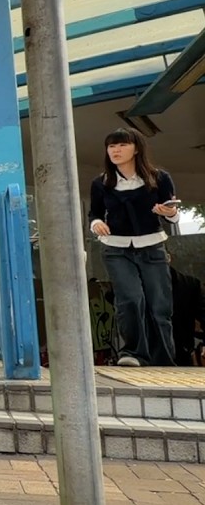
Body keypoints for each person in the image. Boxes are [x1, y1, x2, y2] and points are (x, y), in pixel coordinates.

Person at [88, 128, 179, 367]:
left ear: (136, 148)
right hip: (116, 248)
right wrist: (96, 224)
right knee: (129, 298)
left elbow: (172, 212)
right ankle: (133, 353)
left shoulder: (159, 178)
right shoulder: (101, 183)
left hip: (152, 245)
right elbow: (94, 214)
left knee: (159, 304)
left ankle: (164, 360)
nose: (115, 151)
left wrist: (170, 213)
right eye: (111, 146)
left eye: (122, 145)